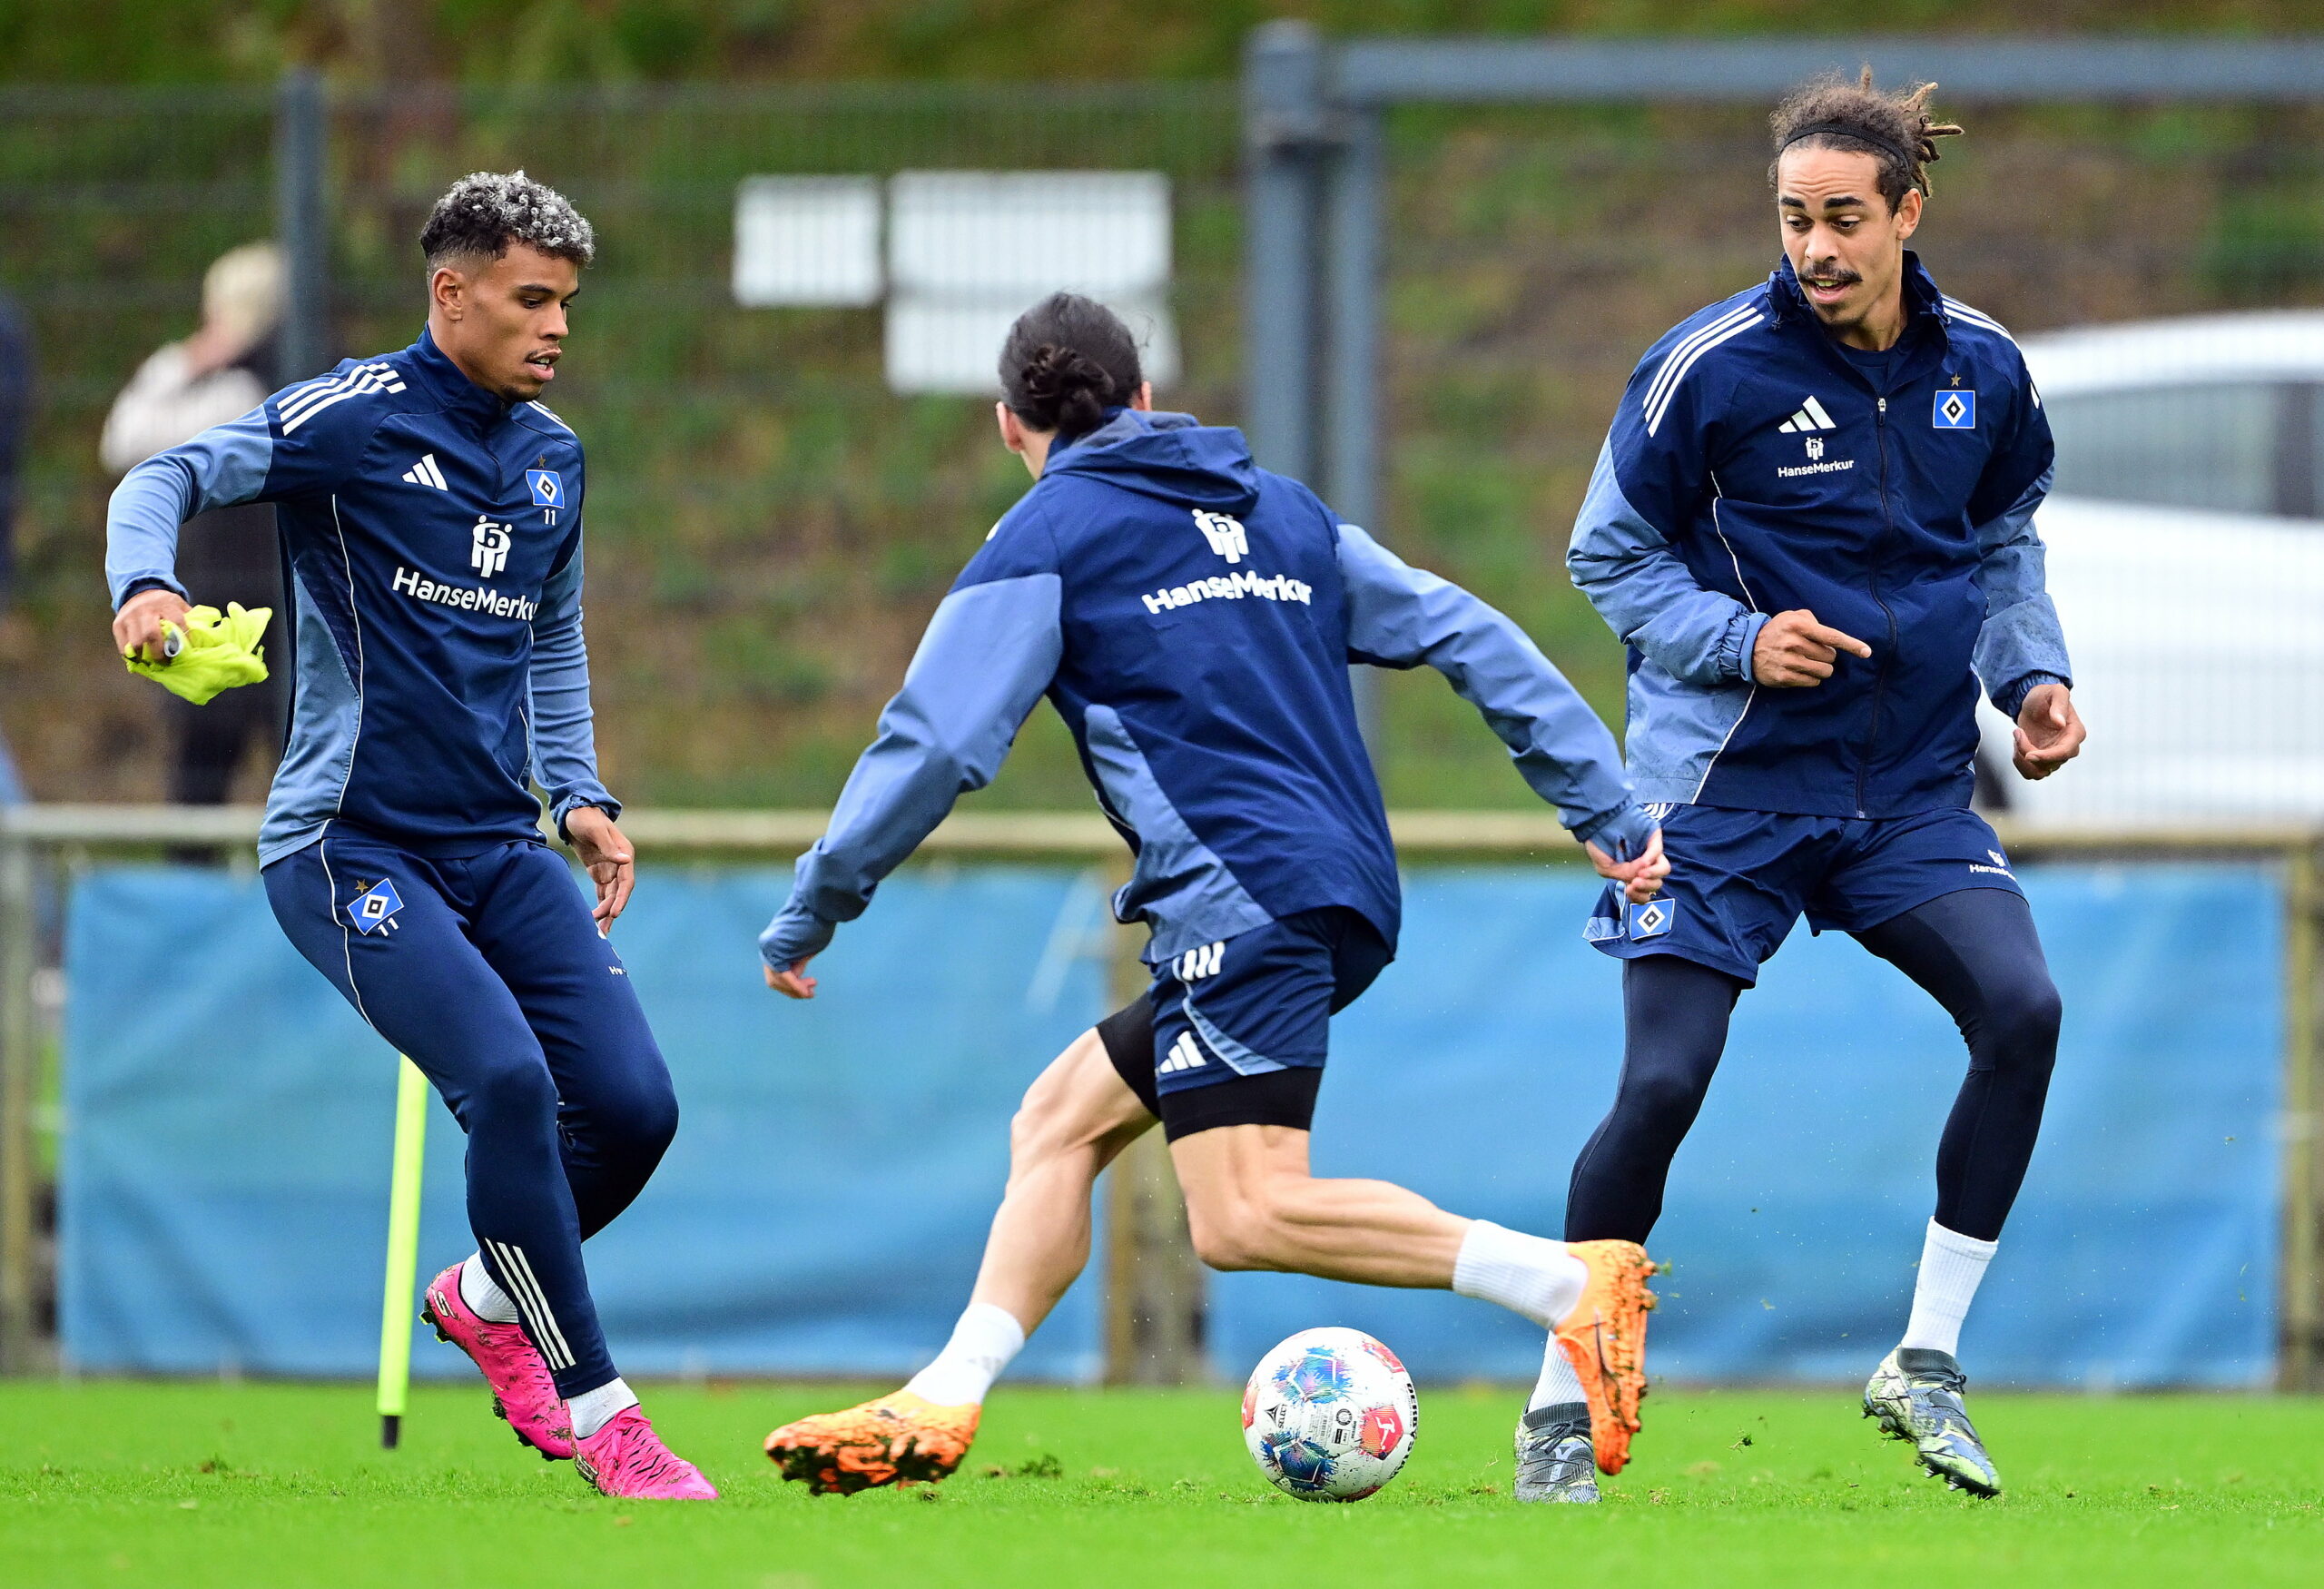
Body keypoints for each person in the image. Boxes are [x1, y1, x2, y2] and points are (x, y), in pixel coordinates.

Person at [755, 292, 1670, 1506]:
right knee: (1059, 1121)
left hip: (1238, 899)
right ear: (1145, 398)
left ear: (1009, 428)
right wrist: (1602, 802)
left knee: (1244, 1213)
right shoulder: (1283, 513)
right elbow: (1466, 630)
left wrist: (818, 900)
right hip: (1327, 884)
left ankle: (1570, 1286)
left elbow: (935, 743)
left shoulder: (1046, 533)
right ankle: (948, 1389)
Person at [103, 172, 713, 1500]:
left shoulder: (555, 457)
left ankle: (490, 1295)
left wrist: (581, 793)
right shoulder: (351, 419)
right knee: (502, 1078)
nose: (557, 327)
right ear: (453, 292)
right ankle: (608, 1416)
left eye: (567, 303)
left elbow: (552, 632)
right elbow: (168, 471)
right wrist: (145, 583)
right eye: (531, 298)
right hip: (347, 846)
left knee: (634, 1107)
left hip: (500, 847)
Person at [1561, 72, 2084, 1497]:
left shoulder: (1986, 366)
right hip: (1720, 798)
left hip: (1905, 796)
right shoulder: (1707, 368)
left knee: (2024, 1009)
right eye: (1794, 218)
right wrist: (1740, 639)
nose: (1815, 246)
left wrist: (2029, 678)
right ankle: (1566, 1397)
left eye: (1844, 217)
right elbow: (1604, 558)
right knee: (1662, 1084)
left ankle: (1924, 1359)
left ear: (1910, 211)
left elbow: (2003, 539)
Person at [102, 242, 290, 815]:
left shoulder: (249, 389)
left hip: (274, 608)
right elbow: (123, 441)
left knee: (275, 763)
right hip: (221, 601)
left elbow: (127, 439)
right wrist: (190, 359)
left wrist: (189, 360)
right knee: (205, 763)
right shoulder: (231, 380)